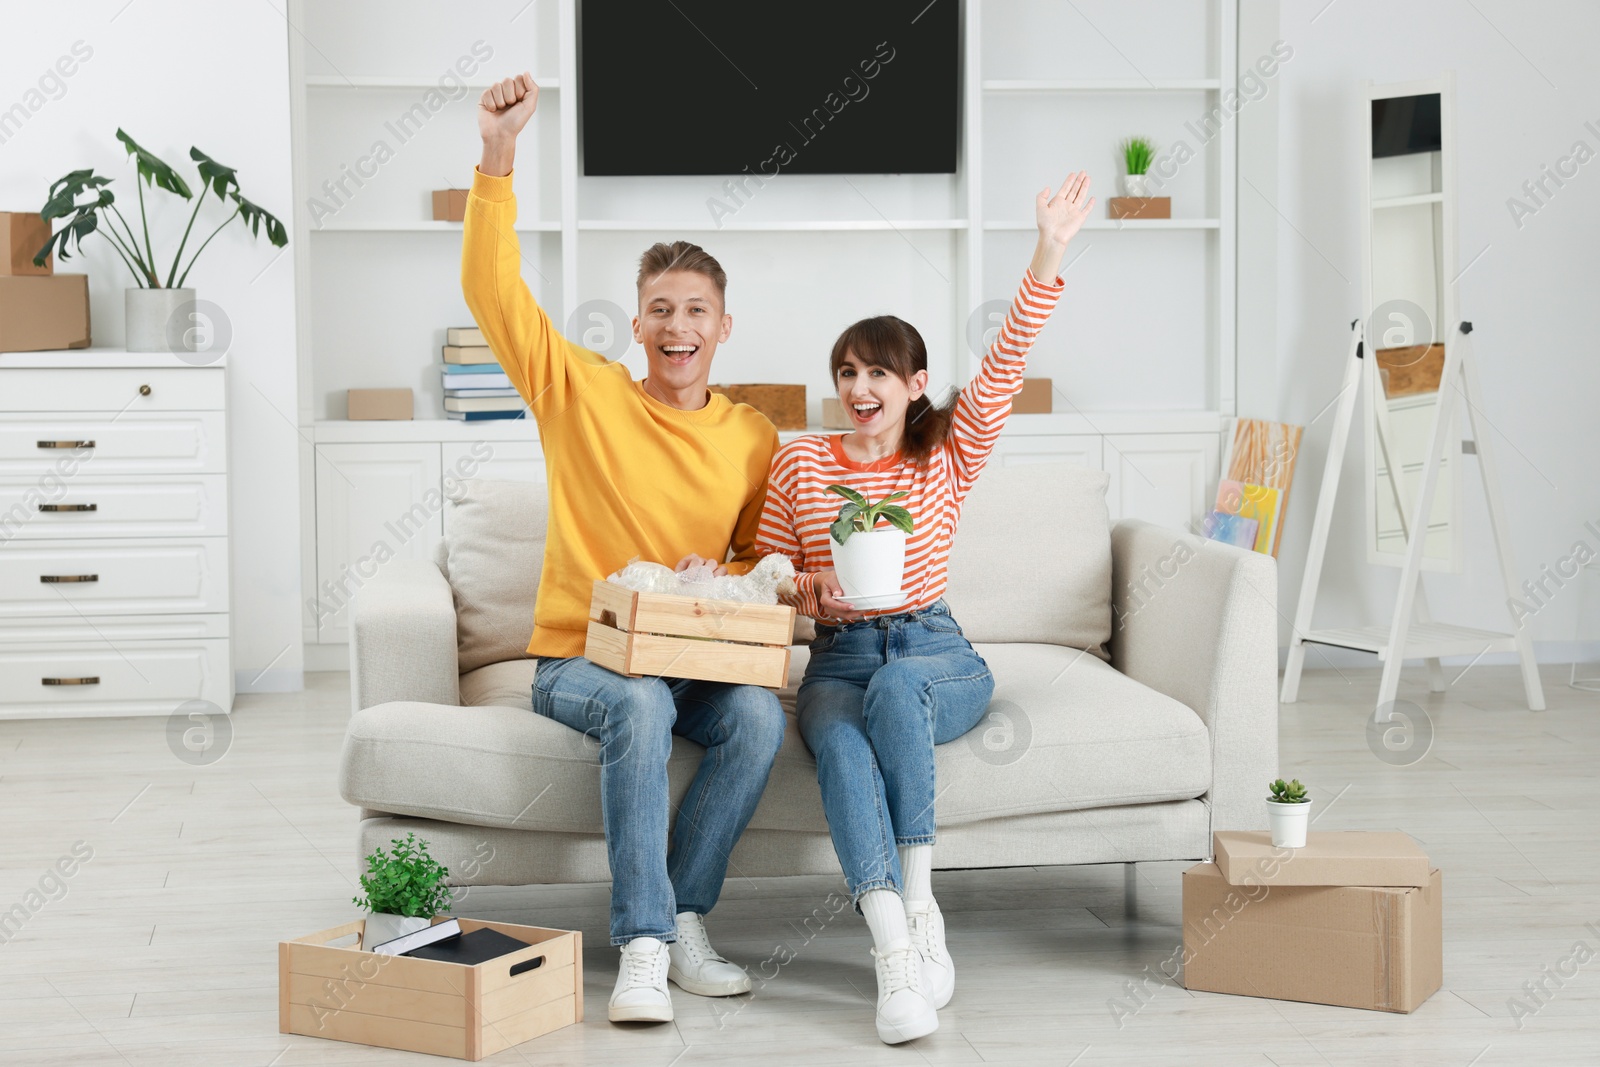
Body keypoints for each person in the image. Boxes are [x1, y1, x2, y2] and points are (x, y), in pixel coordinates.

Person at [465, 72, 787, 1024]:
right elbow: (492, 290)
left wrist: (720, 575)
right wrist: (498, 153)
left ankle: (685, 915)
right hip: (580, 656)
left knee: (760, 721)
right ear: (636, 322)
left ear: (724, 327)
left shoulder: (752, 436)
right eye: (660, 309)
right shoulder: (583, 391)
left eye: (696, 311)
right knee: (639, 704)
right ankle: (642, 943)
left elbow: (755, 562)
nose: (677, 327)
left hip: (695, 654)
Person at [754, 172, 1094, 1044]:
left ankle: (921, 902)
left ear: (915, 383)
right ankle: (892, 953)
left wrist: (1049, 249)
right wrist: (802, 587)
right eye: (845, 372)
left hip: (933, 649)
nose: (858, 386)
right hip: (836, 655)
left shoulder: (946, 454)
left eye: (876, 371)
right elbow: (763, 564)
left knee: (900, 691)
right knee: (834, 735)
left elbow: (1007, 361)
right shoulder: (800, 464)